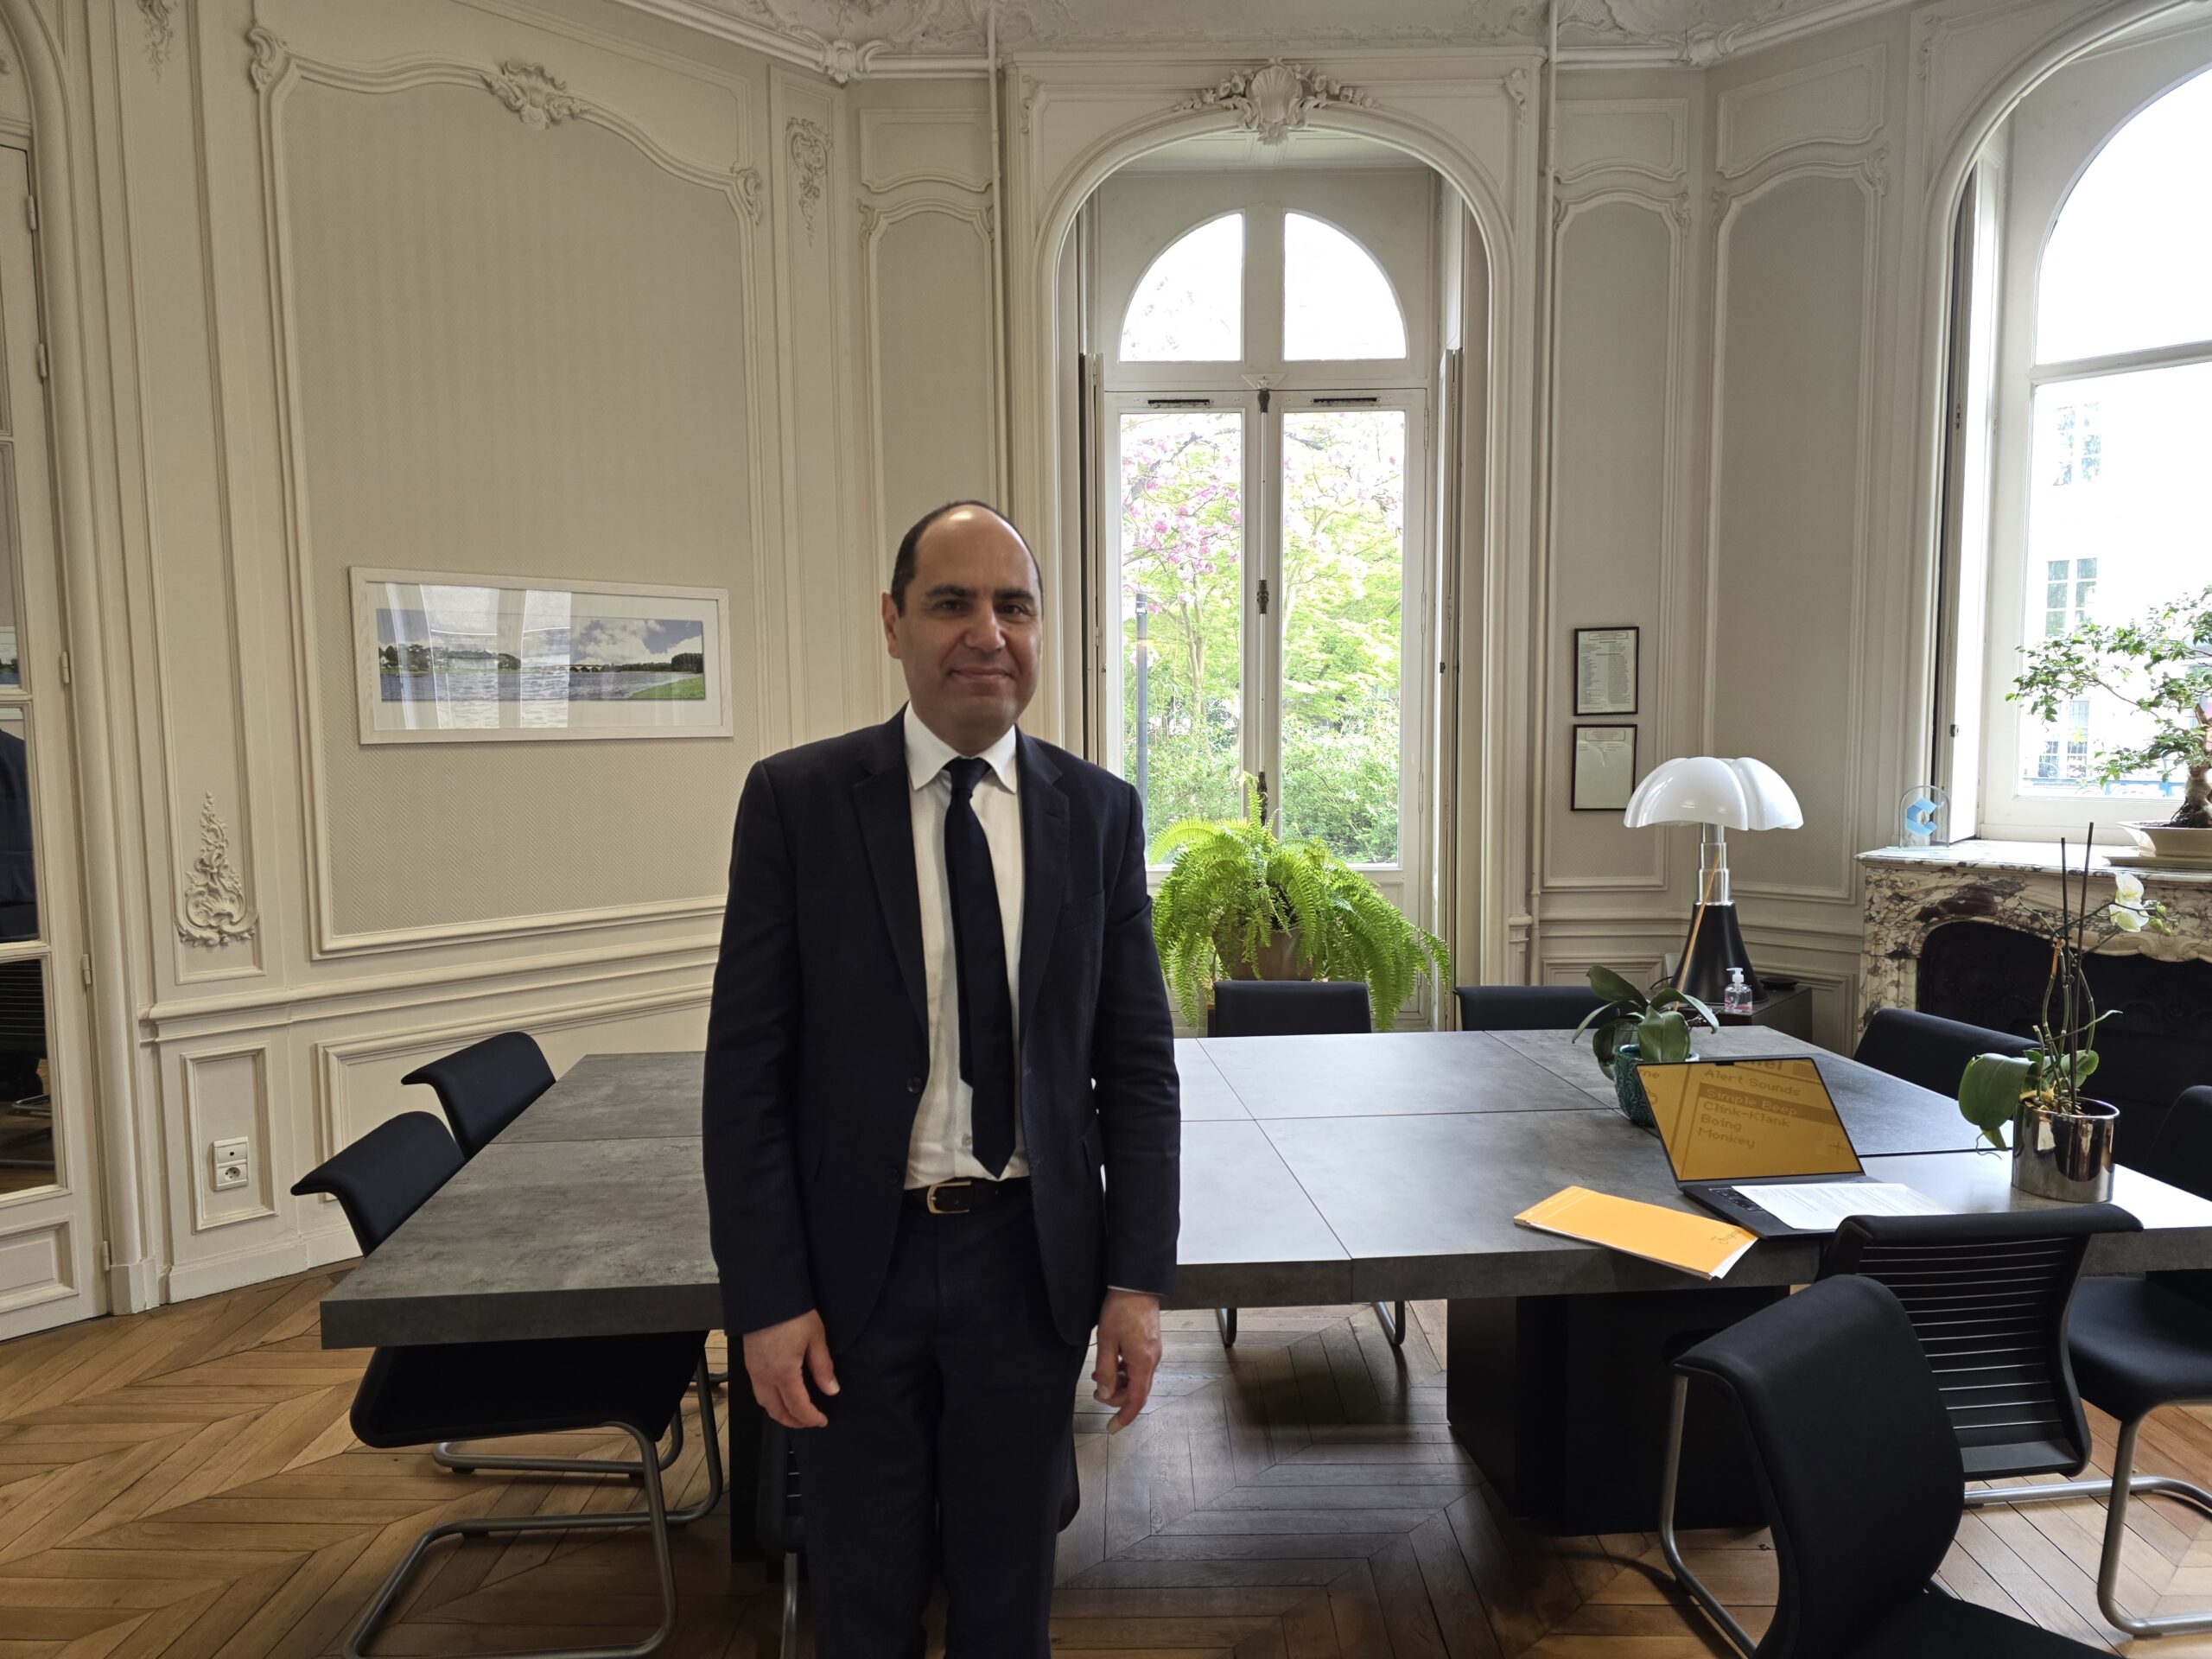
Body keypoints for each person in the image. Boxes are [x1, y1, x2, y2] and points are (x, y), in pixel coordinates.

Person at [702, 500, 1182, 1658]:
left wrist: (1135, 1283)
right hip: (849, 1278)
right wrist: (765, 1299)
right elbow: (746, 1075)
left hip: (1029, 1267)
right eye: (951, 603)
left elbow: (1137, 1071)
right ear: (893, 622)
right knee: (861, 1599)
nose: (987, 633)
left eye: (1014, 606)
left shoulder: (1100, 814)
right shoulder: (798, 802)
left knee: (1008, 1599)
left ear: (1041, 629)